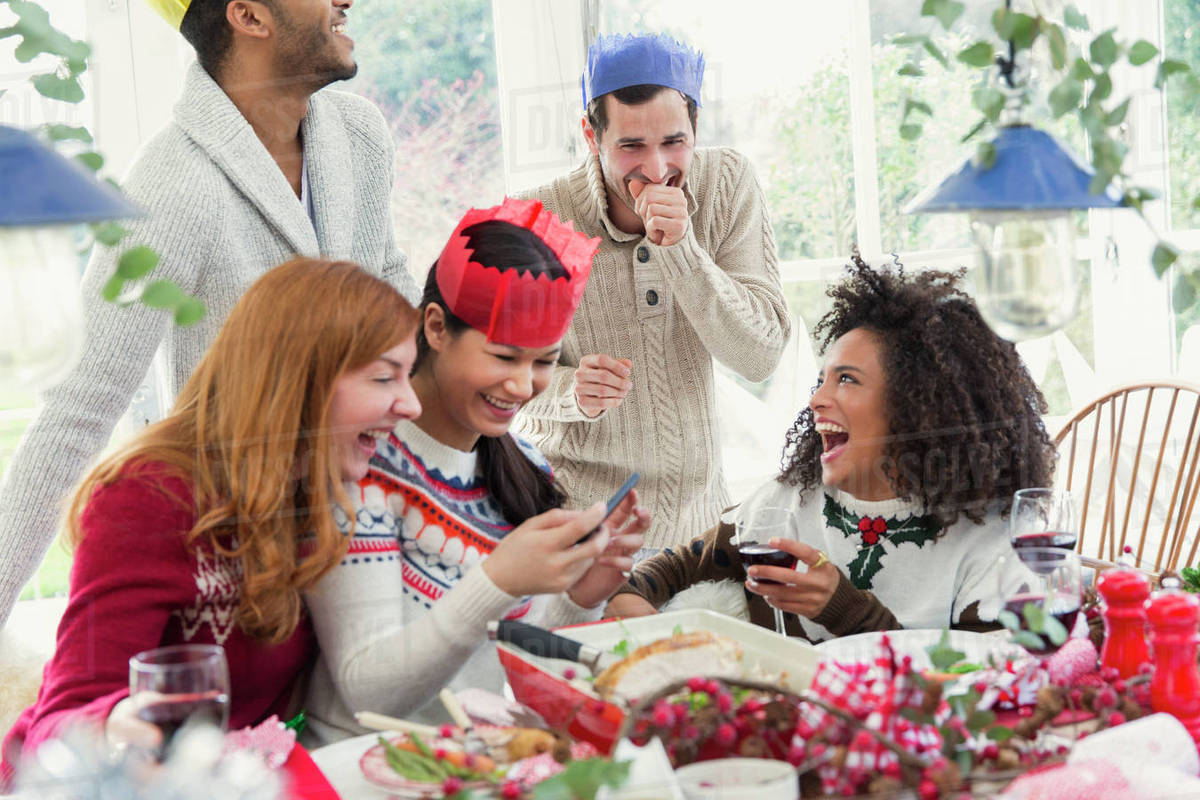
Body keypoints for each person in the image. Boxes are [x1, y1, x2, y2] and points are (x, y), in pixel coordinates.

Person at [0, 0, 419, 626]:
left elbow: (392, 292)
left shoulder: (359, 134)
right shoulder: (173, 182)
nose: (345, 1)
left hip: (372, 527)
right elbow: (80, 406)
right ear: (249, 17)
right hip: (246, 553)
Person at [0, 259, 421, 784]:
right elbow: (63, 718)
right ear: (300, 380)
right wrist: (117, 722)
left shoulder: (324, 488)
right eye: (384, 377)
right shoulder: (149, 495)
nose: (412, 404)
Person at [304, 198, 650, 744]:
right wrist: (498, 580)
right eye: (503, 357)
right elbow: (366, 693)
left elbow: (499, 655)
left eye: (542, 362)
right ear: (436, 328)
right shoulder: (362, 461)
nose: (522, 385)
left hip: (463, 765)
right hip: (359, 772)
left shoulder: (520, 464)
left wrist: (579, 593)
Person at [604, 256, 1056, 640]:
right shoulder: (787, 504)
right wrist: (637, 614)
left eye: (846, 379)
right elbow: (665, 572)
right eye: (822, 379)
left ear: (921, 405)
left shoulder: (991, 537)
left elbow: (986, 684)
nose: (817, 398)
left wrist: (843, 609)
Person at [517, 32, 791, 553]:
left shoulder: (726, 183)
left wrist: (682, 249)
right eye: (631, 146)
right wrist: (570, 393)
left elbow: (760, 357)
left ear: (695, 127)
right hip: (580, 534)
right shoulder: (537, 220)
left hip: (701, 534)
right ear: (589, 136)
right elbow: (498, 384)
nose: (657, 168)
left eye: (674, 141)